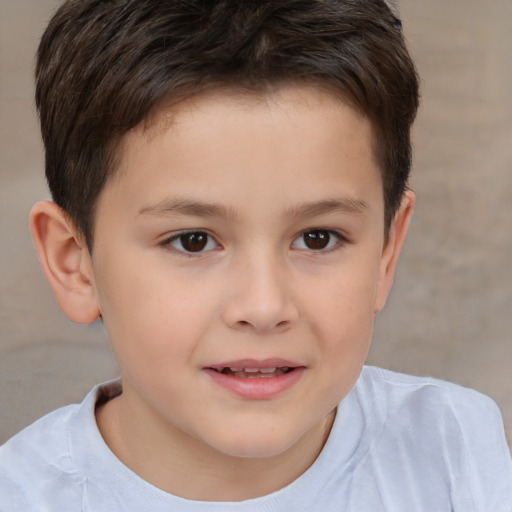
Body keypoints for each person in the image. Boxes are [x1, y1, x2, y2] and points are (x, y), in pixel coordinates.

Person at [1, 0, 511, 510]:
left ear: (386, 250)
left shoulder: (454, 451)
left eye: (318, 238)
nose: (264, 307)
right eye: (192, 240)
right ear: (75, 263)